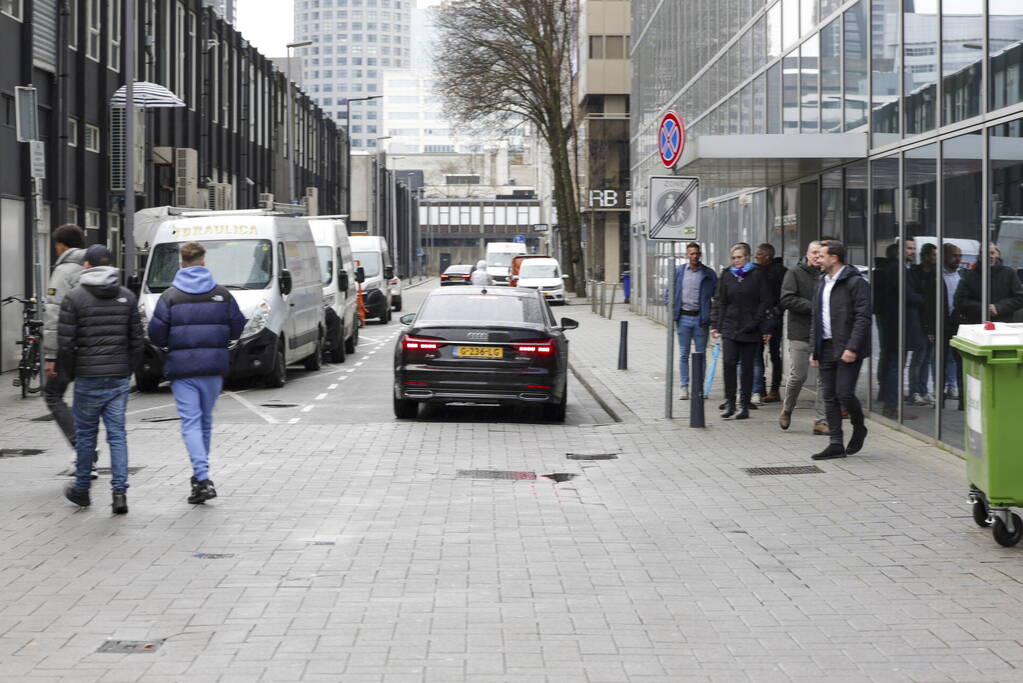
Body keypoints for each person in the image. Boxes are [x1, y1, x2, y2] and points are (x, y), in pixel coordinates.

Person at [147, 242, 246, 505]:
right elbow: (238, 326)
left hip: (182, 370)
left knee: (190, 422)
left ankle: (202, 478)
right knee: (204, 421)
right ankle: (199, 476)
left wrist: (172, 345)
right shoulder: (222, 295)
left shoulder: (169, 297)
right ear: (204, 263)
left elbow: (155, 334)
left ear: (181, 264)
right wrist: (220, 344)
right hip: (214, 367)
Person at [58, 245, 144, 513]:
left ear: (87, 266)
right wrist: (128, 369)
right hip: (118, 377)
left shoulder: (74, 298)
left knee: (86, 436)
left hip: (87, 376)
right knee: (117, 435)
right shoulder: (127, 297)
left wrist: (72, 373)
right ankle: (119, 495)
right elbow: (138, 341)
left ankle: (82, 489)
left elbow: (66, 344)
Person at [41, 224, 96, 476]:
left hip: (66, 346)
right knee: (85, 400)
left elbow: (53, 312)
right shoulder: (92, 267)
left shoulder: (63, 271)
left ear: (61, 245)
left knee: (52, 394)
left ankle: (82, 449)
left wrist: (50, 355)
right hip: (92, 346)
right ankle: (85, 454)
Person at [810, 240, 871, 460]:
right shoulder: (821, 282)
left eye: (821, 255)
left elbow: (863, 317)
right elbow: (816, 318)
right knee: (829, 396)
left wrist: (852, 347)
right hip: (825, 347)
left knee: (844, 393)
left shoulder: (855, 282)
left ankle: (859, 425)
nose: (817, 258)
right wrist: (813, 349)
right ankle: (835, 442)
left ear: (834, 258)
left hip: (847, 347)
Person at [710, 242, 775, 420]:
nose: (736, 261)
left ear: (747, 257)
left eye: (739, 257)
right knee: (729, 364)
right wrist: (715, 324)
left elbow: (766, 301)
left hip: (750, 328)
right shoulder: (726, 275)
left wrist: (757, 322)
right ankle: (730, 402)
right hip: (730, 327)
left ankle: (744, 404)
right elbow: (719, 300)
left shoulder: (757, 275)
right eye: (733, 258)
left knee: (747, 368)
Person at [778, 241, 828, 434]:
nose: (817, 256)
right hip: (801, 332)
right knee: (798, 376)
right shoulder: (794, 273)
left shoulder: (827, 275)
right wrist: (812, 306)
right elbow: (786, 299)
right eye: (814, 252)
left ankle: (820, 421)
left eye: (820, 253)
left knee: (824, 379)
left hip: (823, 334)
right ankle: (787, 409)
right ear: (807, 254)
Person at [875, 239, 925, 420]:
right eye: (909, 248)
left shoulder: (898, 268)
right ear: (899, 251)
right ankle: (892, 406)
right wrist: (922, 298)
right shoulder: (898, 269)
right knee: (896, 365)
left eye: (914, 249)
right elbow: (907, 296)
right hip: (900, 324)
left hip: (896, 324)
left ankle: (891, 404)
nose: (912, 252)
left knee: (894, 364)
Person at [669, 242, 717, 400]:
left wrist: (712, 316)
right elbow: (669, 292)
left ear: (700, 254)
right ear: (686, 255)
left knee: (701, 354)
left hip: (700, 319)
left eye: (697, 253)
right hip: (683, 318)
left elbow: (717, 297)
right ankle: (684, 387)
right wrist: (671, 307)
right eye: (691, 254)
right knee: (683, 354)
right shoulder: (679, 272)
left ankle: (699, 387)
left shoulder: (709, 273)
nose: (694, 256)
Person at [752, 243, 787, 404]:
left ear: (767, 257)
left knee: (774, 354)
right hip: (759, 318)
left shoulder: (780, 272)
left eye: (759, 254)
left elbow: (787, 294)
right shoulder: (755, 271)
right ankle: (760, 387)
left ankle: (774, 390)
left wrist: (778, 310)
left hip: (774, 319)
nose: (756, 256)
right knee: (757, 353)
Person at [954, 244, 1023, 324]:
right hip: (975, 326)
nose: (990, 256)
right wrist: (983, 308)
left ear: (998, 254)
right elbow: (959, 301)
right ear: (980, 256)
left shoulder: (1009, 273)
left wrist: (999, 307)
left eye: (992, 253)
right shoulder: (969, 275)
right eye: (986, 253)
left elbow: (1020, 298)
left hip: (1002, 326)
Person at [908, 243, 939, 406]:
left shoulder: (935, 273)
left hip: (931, 320)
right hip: (919, 320)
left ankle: (922, 390)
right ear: (926, 256)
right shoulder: (915, 272)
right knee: (919, 357)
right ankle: (914, 391)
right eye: (934, 255)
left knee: (927, 357)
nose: (936, 258)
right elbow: (923, 300)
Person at [941, 244, 964, 401]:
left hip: (957, 323)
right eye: (954, 255)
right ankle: (941, 391)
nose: (958, 259)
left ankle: (954, 387)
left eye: (959, 256)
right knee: (940, 359)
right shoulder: (938, 276)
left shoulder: (962, 277)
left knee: (956, 359)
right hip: (942, 323)